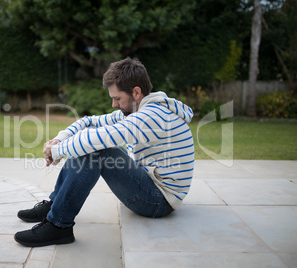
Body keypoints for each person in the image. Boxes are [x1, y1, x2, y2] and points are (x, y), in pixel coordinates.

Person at [14, 57, 194, 247]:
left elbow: (95, 140)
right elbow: (89, 121)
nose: (114, 105)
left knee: (97, 151)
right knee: (90, 143)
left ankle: (58, 226)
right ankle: (56, 204)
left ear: (136, 92)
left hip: (159, 201)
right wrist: (60, 139)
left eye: (117, 98)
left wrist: (57, 151)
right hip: (150, 184)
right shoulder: (142, 109)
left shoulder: (150, 117)